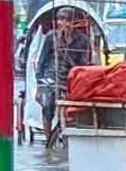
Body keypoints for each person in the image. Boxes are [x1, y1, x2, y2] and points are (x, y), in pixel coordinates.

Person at [37, 8, 92, 146]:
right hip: (50, 76)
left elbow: (85, 63)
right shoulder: (51, 37)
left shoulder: (83, 40)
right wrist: (39, 85)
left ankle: (68, 136)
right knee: (48, 106)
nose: (62, 23)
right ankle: (48, 140)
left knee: (72, 110)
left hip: (72, 77)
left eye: (66, 20)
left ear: (73, 22)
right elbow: (42, 61)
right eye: (60, 19)